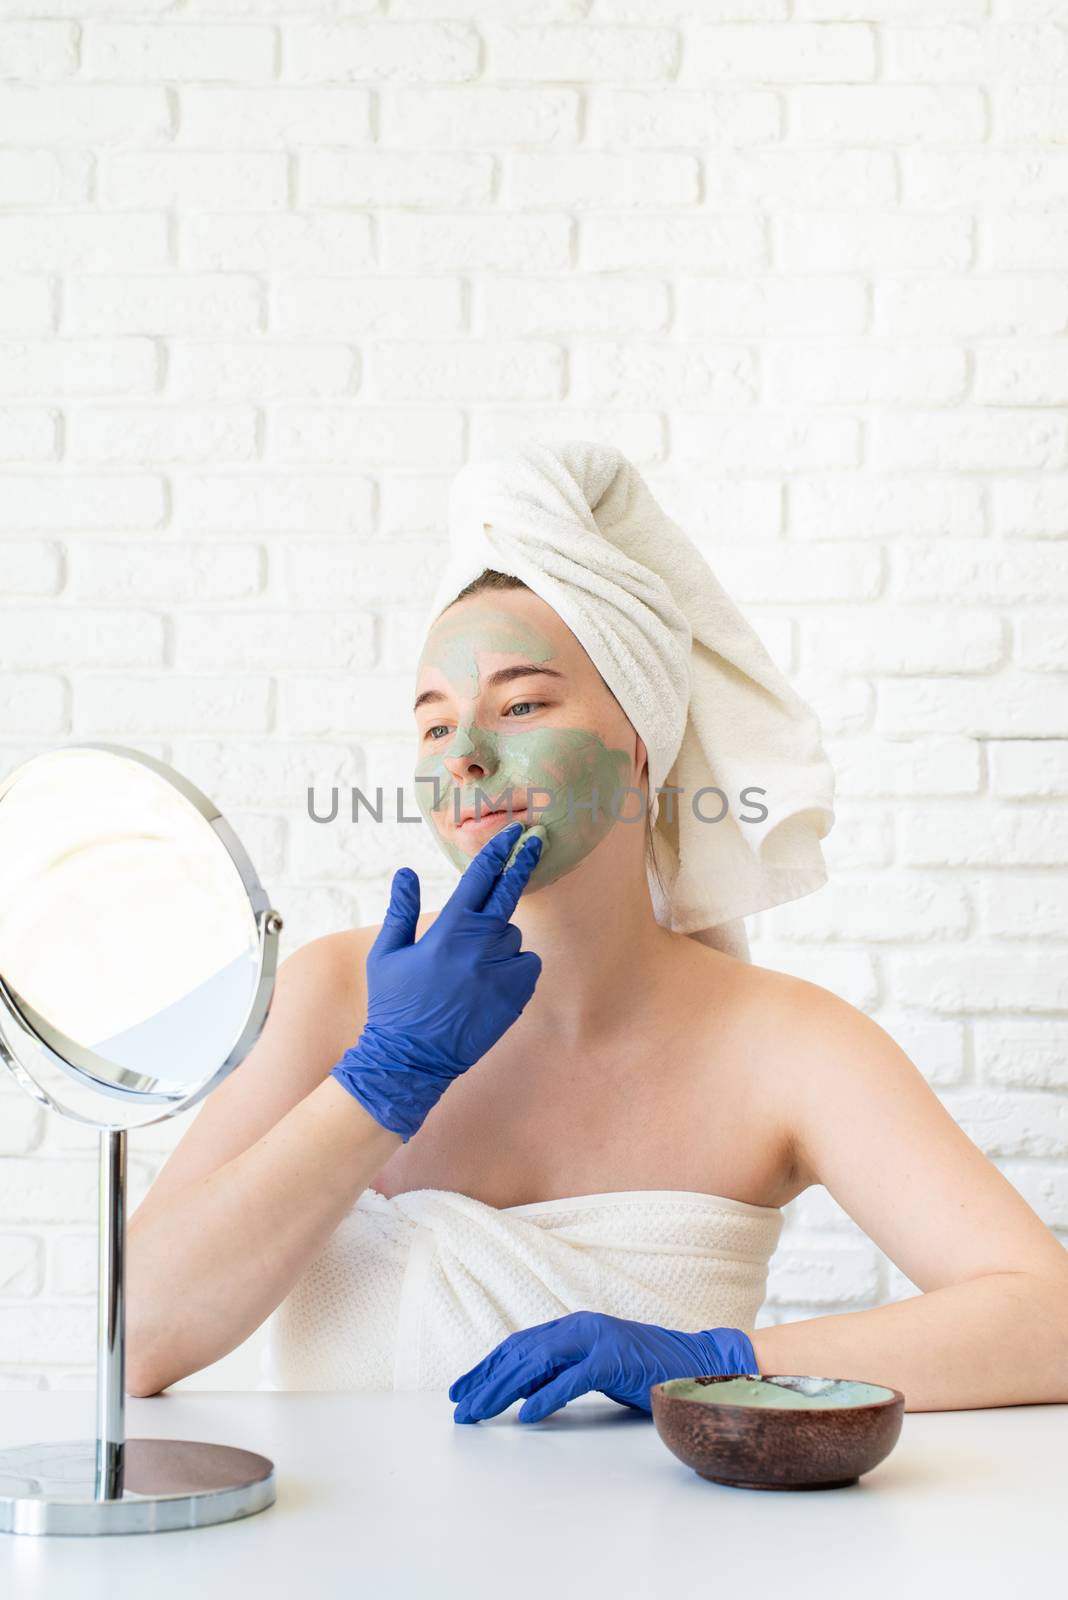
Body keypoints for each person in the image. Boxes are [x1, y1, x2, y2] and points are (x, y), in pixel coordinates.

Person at [126, 447, 1068, 1419]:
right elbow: (138, 1338)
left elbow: (1048, 1321)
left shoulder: (787, 1047)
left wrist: (714, 1361)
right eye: (436, 725)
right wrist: (382, 1078)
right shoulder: (335, 998)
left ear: (640, 745)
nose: (468, 758)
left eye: (523, 704)